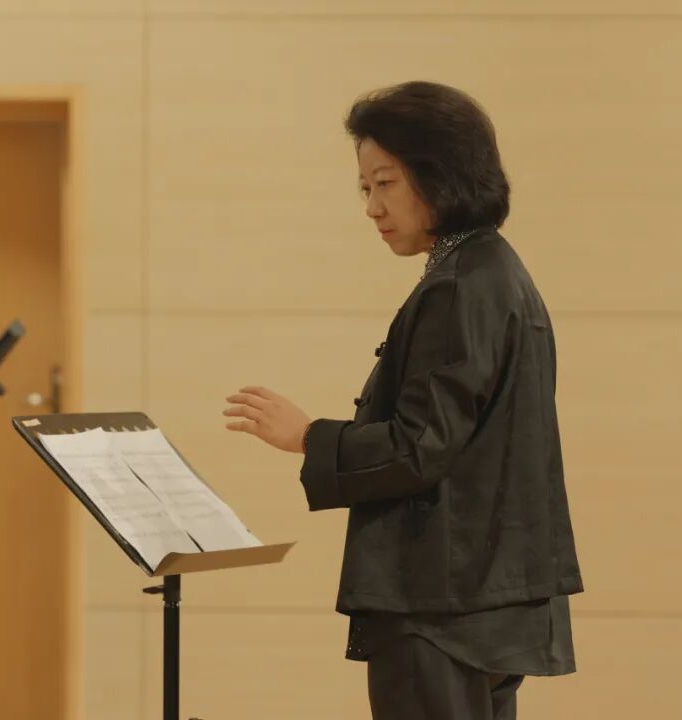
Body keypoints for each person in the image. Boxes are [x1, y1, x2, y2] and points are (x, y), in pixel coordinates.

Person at [224, 81, 583, 719]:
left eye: (385, 183)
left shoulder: (460, 284)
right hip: (483, 600)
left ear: (441, 173)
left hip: (440, 605)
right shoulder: (493, 271)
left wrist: (308, 437)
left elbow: (421, 447)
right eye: (365, 188)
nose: (372, 207)